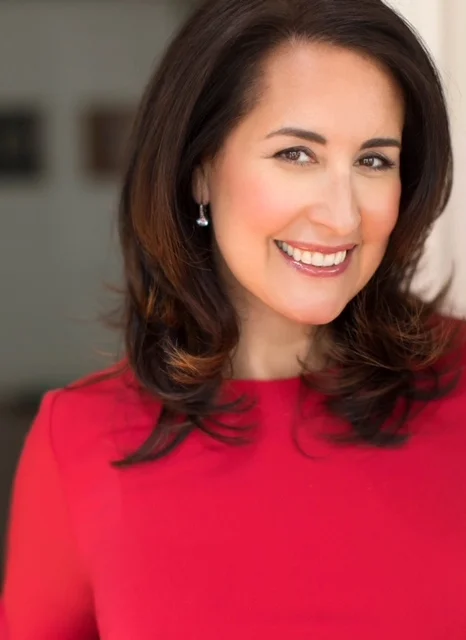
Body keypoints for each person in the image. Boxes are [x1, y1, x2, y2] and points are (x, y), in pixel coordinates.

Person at [2, 0, 466, 637]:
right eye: (296, 154)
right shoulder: (78, 440)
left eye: (373, 161)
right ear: (200, 171)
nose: (343, 216)